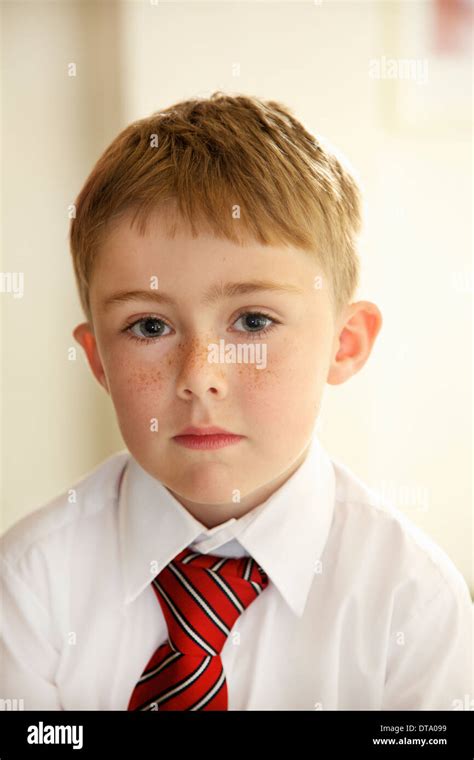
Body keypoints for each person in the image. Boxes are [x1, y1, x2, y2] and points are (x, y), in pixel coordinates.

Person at [1, 93, 471, 711]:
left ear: (344, 344)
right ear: (98, 362)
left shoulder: (411, 601)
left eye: (252, 321)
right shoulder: (30, 582)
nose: (200, 377)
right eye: (148, 327)